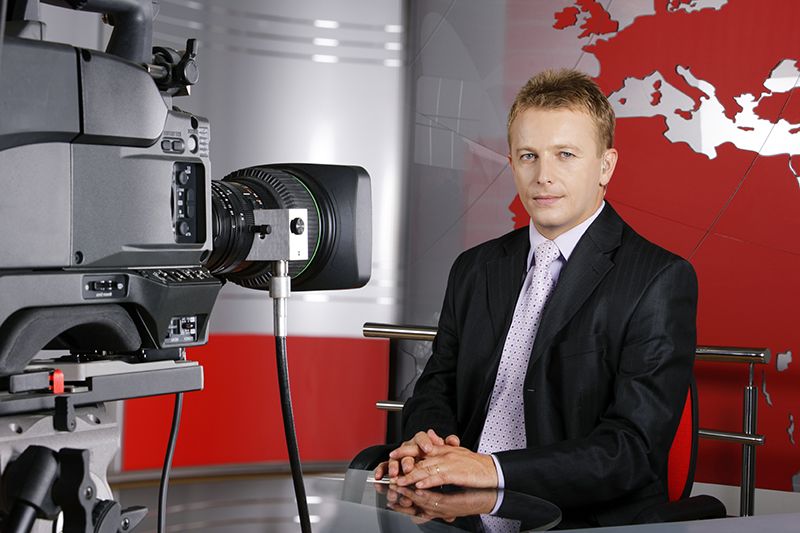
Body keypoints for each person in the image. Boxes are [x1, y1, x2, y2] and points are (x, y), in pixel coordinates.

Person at [374, 69, 698, 527]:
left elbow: (634, 449)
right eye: (529, 156)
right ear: (512, 162)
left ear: (605, 166)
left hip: (580, 522)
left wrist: (493, 470)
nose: (544, 176)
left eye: (565, 155)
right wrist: (429, 446)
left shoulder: (658, 279)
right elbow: (437, 385)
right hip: (458, 512)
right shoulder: (474, 268)